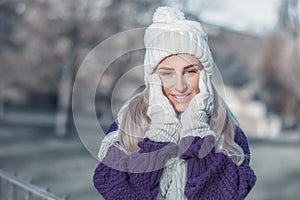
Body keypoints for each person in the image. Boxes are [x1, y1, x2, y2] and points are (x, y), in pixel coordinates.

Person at [93, 6, 256, 200]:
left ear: (205, 76)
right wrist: (159, 136)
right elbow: (121, 194)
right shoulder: (127, 123)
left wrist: (198, 133)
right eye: (167, 73)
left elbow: (222, 195)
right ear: (152, 78)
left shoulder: (227, 131)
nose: (179, 86)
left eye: (190, 71)